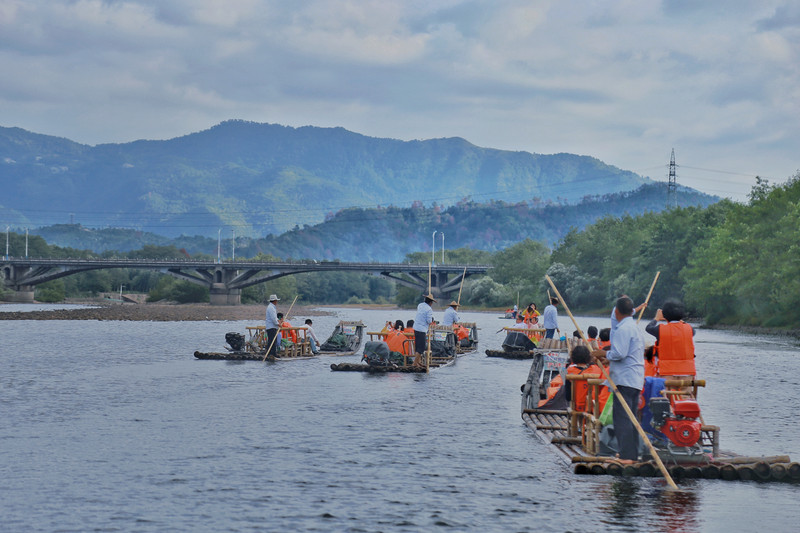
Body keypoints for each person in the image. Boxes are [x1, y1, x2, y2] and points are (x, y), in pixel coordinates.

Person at [607, 296, 645, 463]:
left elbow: (619, 353)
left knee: (622, 417)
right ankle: (631, 452)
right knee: (631, 416)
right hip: (634, 378)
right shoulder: (635, 327)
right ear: (632, 311)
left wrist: (604, 354)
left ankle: (627, 456)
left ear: (616, 312)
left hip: (625, 378)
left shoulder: (623, 329)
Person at [645, 299, 696, 377]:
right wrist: (679, 319)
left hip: (666, 372)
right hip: (687, 372)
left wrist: (656, 318)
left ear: (664, 315)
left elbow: (648, 328)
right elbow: (687, 327)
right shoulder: (690, 329)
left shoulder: (660, 330)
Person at [565, 345, 603, 412]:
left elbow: (568, 396)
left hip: (577, 408)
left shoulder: (570, 373)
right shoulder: (597, 370)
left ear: (573, 357)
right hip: (594, 408)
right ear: (588, 357)